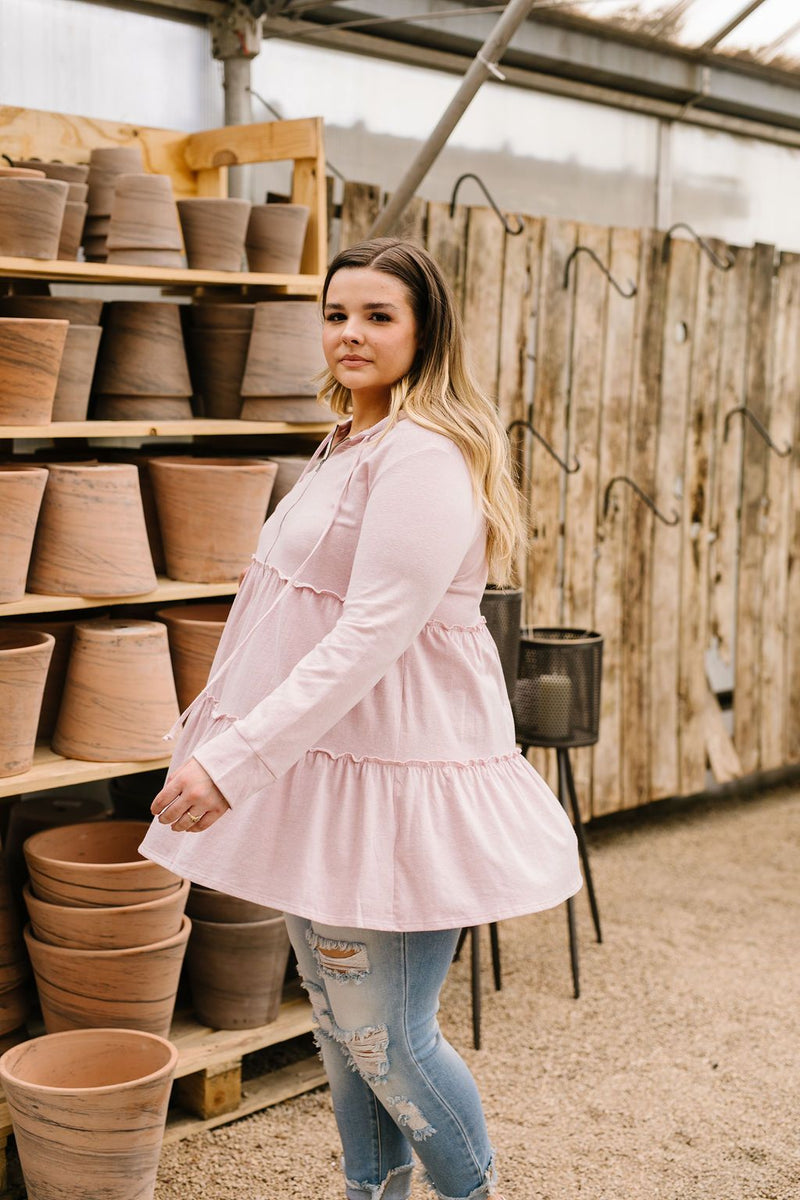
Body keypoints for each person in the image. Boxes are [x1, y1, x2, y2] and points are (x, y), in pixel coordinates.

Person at [142, 237, 581, 1200]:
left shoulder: (422, 453)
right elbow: (282, 607)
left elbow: (372, 633)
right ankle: (369, 1191)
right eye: (338, 313)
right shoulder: (351, 439)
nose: (351, 333)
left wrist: (235, 761)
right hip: (328, 769)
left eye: (378, 316)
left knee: (388, 1034)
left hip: (395, 774)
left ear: (425, 331)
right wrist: (213, 726)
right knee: (343, 1024)